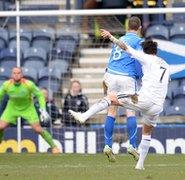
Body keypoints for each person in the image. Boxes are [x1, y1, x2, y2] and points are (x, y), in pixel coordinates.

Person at [69, 29, 170, 170]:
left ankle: (83, 116)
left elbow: (125, 47)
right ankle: (140, 165)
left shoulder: (145, 57)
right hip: (158, 105)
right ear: (156, 51)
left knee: (110, 98)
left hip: (144, 99)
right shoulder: (165, 64)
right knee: (147, 133)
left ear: (145, 51)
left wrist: (111, 37)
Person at [0, 67, 60, 154]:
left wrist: (43, 110)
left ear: (22, 74)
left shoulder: (29, 84)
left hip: (28, 108)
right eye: (14, 73)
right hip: (12, 108)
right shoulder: (6, 85)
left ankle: (54, 147)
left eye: (18, 73)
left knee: (37, 129)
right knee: (0, 127)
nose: (16, 75)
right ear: (11, 74)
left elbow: (39, 95)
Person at [100, 16, 143, 163]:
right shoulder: (139, 41)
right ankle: (132, 146)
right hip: (126, 76)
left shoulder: (118, 40)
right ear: (140, 28)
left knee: (112, 110)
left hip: (111, 74)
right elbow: (139, 61)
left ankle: (107, 145)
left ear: (127, 27)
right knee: (130, 110)